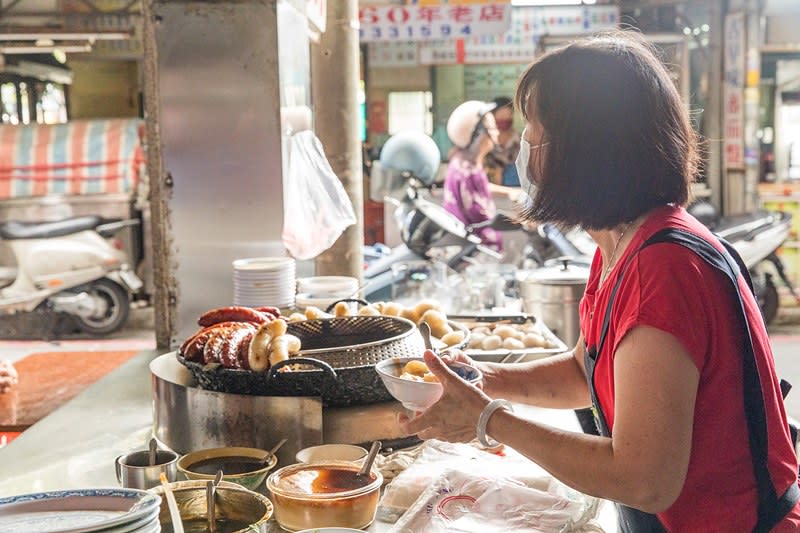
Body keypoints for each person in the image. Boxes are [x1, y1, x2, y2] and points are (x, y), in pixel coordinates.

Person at [400, 32, 800, 532]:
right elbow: (582, 370)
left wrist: (488, 419)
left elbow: (644, 479)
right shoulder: (621, 245)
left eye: (535, 131)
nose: (521, 147)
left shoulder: (665, 269)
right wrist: (480, 380)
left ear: (583, 151)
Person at [442, 100, 522, 251]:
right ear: (478, 134)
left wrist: (510, 192)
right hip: (475, 254)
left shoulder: (464, 163)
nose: (496, 133)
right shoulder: (468, 170)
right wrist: (520, 221)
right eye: (492, 129)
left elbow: (481, 188)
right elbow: (483, 218)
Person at [484, 96, 522, 187]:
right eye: (501, 114)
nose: (505, 119)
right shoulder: (484, 142)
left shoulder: (520, 140)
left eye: (508, 114)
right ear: (492, 116)